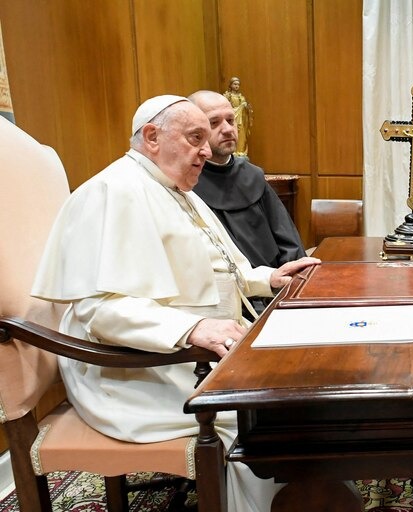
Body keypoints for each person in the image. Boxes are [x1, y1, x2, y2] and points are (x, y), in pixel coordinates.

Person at [30, 95, 320, 512]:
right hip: (131, 372)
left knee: (297, 390)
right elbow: (98, 311)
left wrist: (268, 277)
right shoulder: (114, 191)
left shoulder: (176, 189)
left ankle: (311, 497)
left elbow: (221, 270)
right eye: (195, 137)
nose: (207, 150)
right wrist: (191, 329)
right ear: (151, 137)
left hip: (187, 357)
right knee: (258, 421)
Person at [188, 90, 306, 315]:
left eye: (230, 120)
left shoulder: (251, 175)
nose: (227, 129)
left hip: (277, 288)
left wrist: (292, 282)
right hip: (231, 301)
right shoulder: (188, 183)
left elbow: (288, 240)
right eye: (214, 123)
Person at [223, 77, 251, 156]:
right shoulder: (227, 96)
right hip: (232, 119)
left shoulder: (241, 97)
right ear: (231, 85)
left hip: (240, 119)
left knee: (241, 135)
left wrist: (245, 106)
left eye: (238, 84)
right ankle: (233, 151)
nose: (236, 86)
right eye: (235, 84)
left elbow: (247, 109)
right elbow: (225, 108)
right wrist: (238, 108)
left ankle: (240, 151)